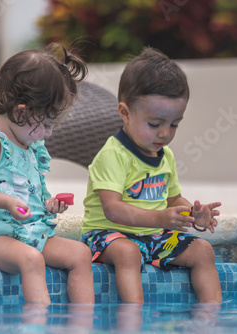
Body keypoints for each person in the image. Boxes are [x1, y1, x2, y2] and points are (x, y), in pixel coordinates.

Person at [79, 47, 222, 304]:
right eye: (154, 124)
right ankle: (134, 320)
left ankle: (210, 318)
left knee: (202, 251)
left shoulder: (164, 156)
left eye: (174, 124)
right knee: (128, 252)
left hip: (153, 238)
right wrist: (159, 217)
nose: (165, 133)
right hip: (108, 235)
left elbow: (172, 198)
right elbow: (112, 209)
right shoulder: (113, 155)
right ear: (125, 113)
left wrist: (193, 213)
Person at [0, 44, 94, 305]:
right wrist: (6, 202)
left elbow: (27, 195)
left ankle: (82, 324)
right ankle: (37, 326)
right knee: (31, 259)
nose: (48, 133)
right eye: (45, 124)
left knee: (80, 254)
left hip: (32, 232)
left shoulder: (29, 145)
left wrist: (49, 206)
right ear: (21, 112)